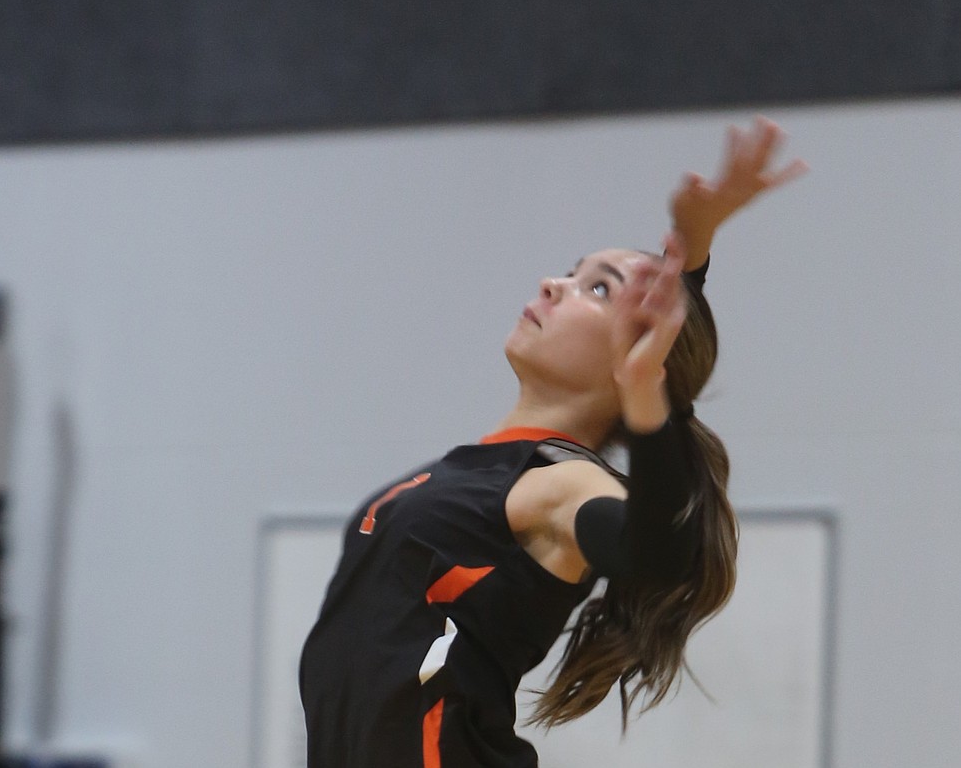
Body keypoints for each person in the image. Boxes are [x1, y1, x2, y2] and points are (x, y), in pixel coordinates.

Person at [299, 117, 807, 768]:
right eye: (574, 272)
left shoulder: (563, 483)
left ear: (640, 356)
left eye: (596, 289)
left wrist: (649, 377)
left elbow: (658, 549)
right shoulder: (487, 466)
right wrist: (692, 242)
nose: (552, 282)